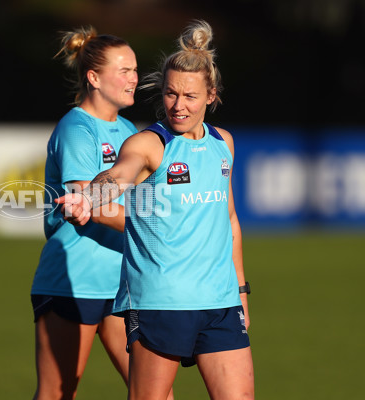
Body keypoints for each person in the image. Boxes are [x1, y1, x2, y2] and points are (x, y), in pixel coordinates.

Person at [56, 20, 254, 400]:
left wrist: (241, 293)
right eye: (170, 94)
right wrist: (90, 196)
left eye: (190, 97)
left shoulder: (223, 144)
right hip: (160, 301)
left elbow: (229, 221)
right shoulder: (148, 144)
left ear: (211, 95)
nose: (178, 106)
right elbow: (119, 174)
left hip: (220, 303)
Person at [30, 26, 143, 399]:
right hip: (73, 281)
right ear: (93, 77)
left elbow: (143, 201)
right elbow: (85, 206)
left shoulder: (129, 131)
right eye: (123, 70)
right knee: (57, 394)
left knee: (153, 392)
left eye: (135, 70)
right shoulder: (76, 129)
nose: (134, 79)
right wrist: (152, 224)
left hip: (122, 285)